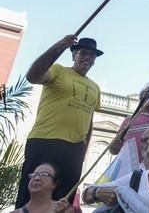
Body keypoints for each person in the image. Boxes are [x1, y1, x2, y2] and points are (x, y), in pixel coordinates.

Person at [16, 36, 102, 205]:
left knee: (63, 200)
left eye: (92, 55)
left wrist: (84, 151)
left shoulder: (95, 88)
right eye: (83, 53)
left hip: (74, 149)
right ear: (73, 55)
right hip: (45, 140)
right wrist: (60, 45)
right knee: (31, 192)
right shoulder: (58, 70)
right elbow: (33, 76)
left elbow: (89, 121)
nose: (88, 58)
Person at [109, 86, 149, 163]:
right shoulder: (129, 120)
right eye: (148, 95)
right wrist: (116, 144)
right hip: (128, 168)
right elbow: (113, 150)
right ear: (141, 98)